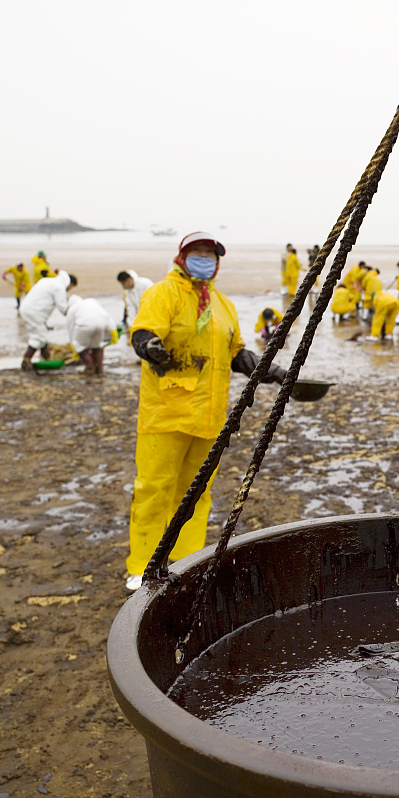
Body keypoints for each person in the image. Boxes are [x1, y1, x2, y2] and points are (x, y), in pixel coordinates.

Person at [126, 231, 285, 591]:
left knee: (195, 493)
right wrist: (150, 347)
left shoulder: (222, 304)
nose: (204, 258)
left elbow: (237, 354)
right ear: (182, 257)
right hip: (165, 412)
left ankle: (185, 560)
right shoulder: (163, 293)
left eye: (210, 254)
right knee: (154, 488)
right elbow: (142, 332)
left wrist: (269, 370)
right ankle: (141, 566)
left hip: (209, 416)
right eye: (197, 252)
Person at [19, 270, 77, 369]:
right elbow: (63, 309)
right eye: (71, 288)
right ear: (69, 283)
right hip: (34, 313)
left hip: (27, 309)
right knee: (39, 337)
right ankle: (26, 361)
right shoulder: (59, 287)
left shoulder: (48, 281)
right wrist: (75, 308)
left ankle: (46, 358)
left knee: (42, 333)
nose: (69, 290)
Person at [66, 295, 119, 377]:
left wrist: (73, 345)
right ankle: (100, 369)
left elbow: (71, 328)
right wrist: (113, 331)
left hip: (85, 324)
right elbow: (106, 315)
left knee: (79, 345)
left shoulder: (72, 309)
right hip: (102, 323)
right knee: (96, 345)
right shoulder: (92, 301)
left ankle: (90, 368)